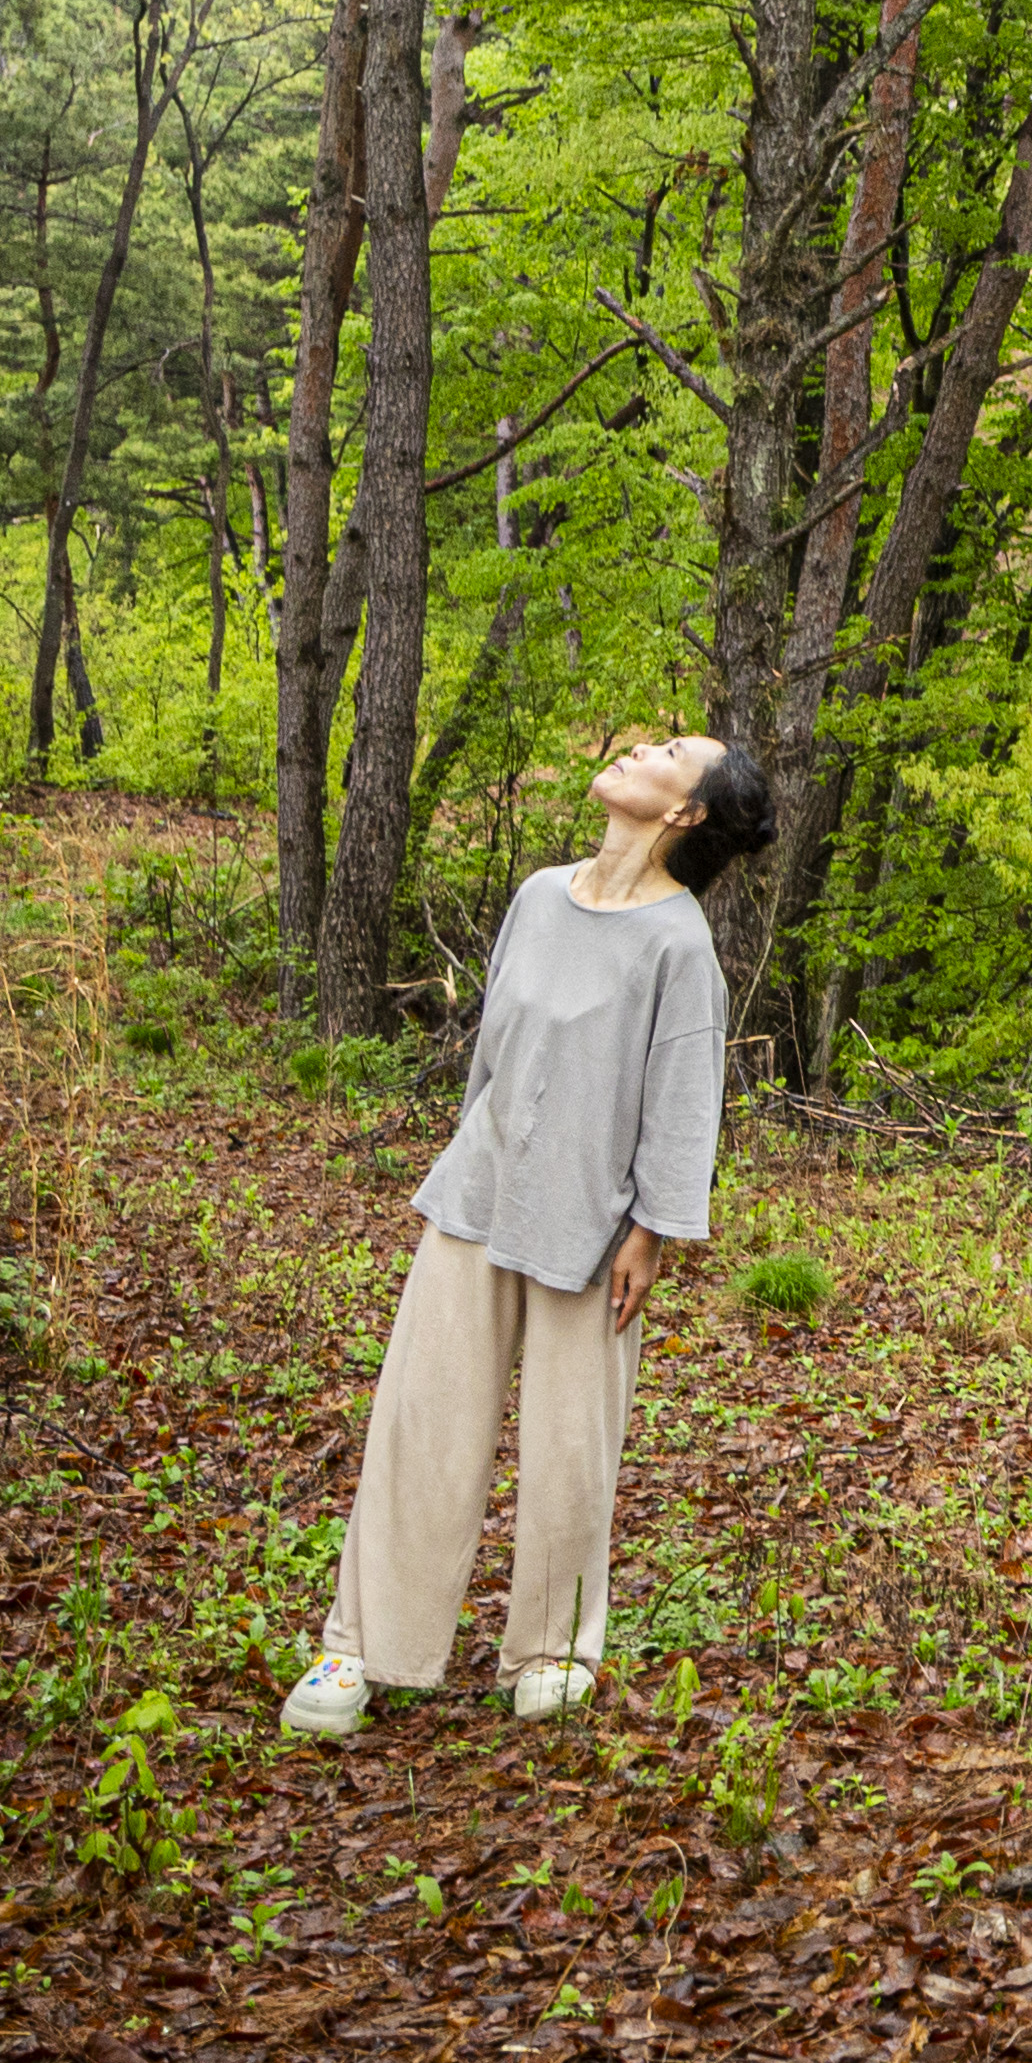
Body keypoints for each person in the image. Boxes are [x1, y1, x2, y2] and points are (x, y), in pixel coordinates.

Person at [281, 731, 767, 1738]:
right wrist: (469, 1155)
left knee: (569, 1448)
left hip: (594, 1230)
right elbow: (492, 1060)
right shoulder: (539, 896)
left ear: (688, 814)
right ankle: (363, 1644)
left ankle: (552, 1651)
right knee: (421, 1422)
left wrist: (653, 1234)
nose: (640, 747)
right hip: (479, 1195)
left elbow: (686, 1105)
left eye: (672, 752)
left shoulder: (680, 944)